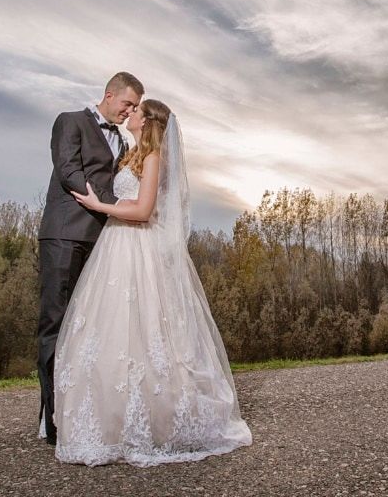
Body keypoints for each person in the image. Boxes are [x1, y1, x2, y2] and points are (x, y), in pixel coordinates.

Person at [52, 99, 252, 466]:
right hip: (116, 244)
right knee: (112, 331)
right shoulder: (131, 156)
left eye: (137, 110)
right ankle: (111, 417)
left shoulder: (155, 157)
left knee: (146, 331)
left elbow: (143, 211)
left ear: (149, 122)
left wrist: (102, 207)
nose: (130, 113)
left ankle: (155, 419)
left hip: (136, 244)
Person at [37, 72, 144, 446]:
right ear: (109, 94)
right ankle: (51, 419)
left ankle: (78, 410)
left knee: (86, 328)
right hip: (65, 234)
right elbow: (69, 171)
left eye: (134, 107)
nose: (129, 111)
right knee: (56, 323)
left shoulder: (125, 140)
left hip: (102, 242)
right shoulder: (70, 121)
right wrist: (114, 206)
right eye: (127, 104)